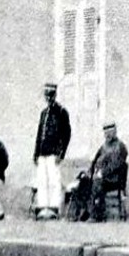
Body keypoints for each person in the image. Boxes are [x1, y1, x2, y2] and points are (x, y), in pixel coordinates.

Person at [32, 83, 72, 219]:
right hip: (42, 153)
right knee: (42, 181)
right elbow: (39, 134)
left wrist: (61, 153)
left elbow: (66, 135)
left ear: (55, 95)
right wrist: (36, 154)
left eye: (51, 95)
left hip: (54, 153)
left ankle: (54, 208)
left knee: (54, 181)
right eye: (46, 95)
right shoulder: (43, 113)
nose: (48, 98)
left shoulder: (61, 112)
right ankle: (43, 207)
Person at [88, 121, 129, 222]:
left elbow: (116, 165)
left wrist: (102, 173)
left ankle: (97, 215)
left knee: (97, 183)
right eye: (106, 133)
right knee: (84, 182)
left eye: (110, 132)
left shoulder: (120, 146)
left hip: (114, 179)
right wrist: (90, 171)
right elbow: (94, 160)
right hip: (101, 176)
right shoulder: (103, 146)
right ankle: (82, 213)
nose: (108, 135)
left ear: (115, 132)